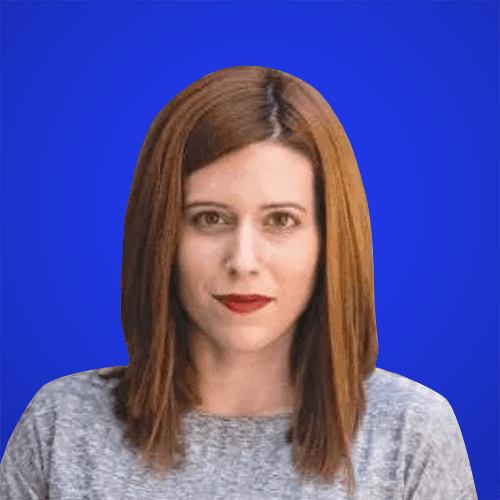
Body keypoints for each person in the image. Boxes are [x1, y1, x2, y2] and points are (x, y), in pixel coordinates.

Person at [0, 66, 477, 499]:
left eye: (281, 221)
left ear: (329, 241)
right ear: (160, 236)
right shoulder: (60, 428)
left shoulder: (411, 434)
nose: (243, 261)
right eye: (209, 218)